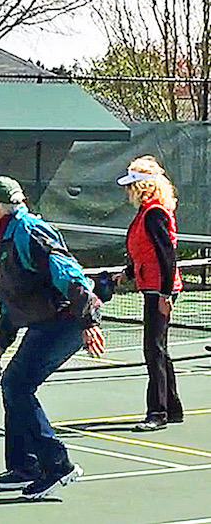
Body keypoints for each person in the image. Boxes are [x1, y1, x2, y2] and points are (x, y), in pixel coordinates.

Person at [0, 176, 105, 500]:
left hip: (66, 321)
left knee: (18, 385)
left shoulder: (31, 232)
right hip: (45, 322)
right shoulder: (6, 240)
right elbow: (10, 309)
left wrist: (88, 321)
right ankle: (24, 467)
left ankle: (57, 465)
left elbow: (70, 275)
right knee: (14, 384)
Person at [114, 156, 183, 432]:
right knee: (159, 349)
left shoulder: (154, 213)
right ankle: (173, 407)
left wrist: (165, 295)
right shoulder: (147, 212)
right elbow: (145, 251)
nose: (128, 190)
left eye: (132, 185)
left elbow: (167, 256)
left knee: (152, 349)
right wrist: (127, 273)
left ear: (143, 186)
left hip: (159, 289)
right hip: (152, 285)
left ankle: (158, 412)